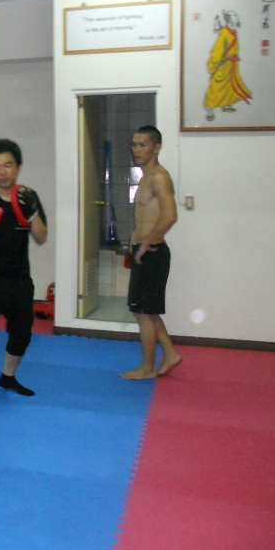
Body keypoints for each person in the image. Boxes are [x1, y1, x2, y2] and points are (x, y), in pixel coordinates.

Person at [0, 139, 47, 405]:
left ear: (18, 167)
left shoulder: (27, 198)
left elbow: (41, 238)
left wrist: (33, 212)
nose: (2, 172)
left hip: (18, 279)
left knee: (22, 334)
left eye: (8, 165)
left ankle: (8, 377)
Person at [121, 126, 182, 380]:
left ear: (157, 148)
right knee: (147, 310)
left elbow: (170, 216)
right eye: (134, 144)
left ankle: (147, 368)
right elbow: (146, 216)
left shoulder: (159, 177)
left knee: (143, 313)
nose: (136, 149)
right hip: (143, 250)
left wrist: (146, 243)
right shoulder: (145, 177)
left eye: (142, 145)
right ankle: (170, 354)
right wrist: (135, 242)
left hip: (152, 252)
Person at [204, 10, 252, 121]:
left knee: (229, 87)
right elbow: (217, 52)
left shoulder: (234, 31)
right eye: (234, 15)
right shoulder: (225, 33)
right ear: (229, 18)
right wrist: (213, 65)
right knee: (217, 88)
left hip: (231, 66)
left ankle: (226, 105)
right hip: (223, 66)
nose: (237, 17)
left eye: (236, 15)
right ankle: (209, 109)